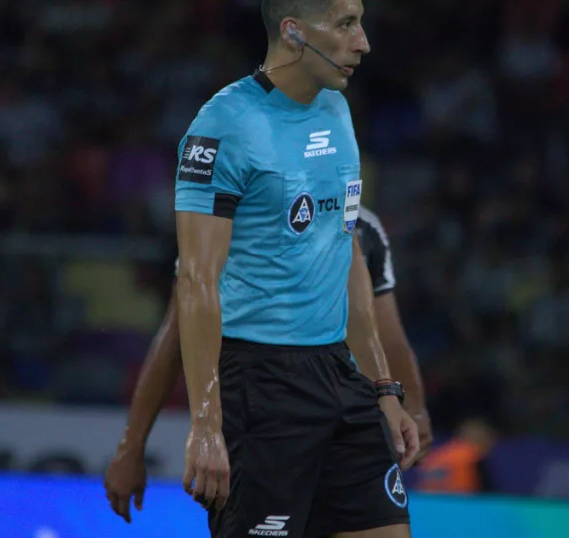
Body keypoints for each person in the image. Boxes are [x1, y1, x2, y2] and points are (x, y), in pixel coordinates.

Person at [172, 0, 418, 536]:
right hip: (259, 384)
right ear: (293, 31)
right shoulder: (222, 126)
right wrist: (206, 424)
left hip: (337, 375)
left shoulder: (336, 109)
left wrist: (382, 387)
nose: (363, 42)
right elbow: (195, 282)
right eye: (346, 24)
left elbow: (344, 251)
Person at [104, 205, 433, 523]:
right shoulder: (235, 217)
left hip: (347, 414)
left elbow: (389, 336)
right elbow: (176, 333)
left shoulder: (363, 228)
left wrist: (412, 407)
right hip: (264, 413)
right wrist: (131, 446)